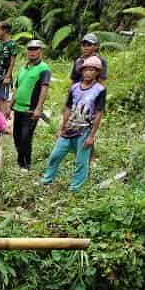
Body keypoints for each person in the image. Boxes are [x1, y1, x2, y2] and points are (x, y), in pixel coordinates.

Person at [42, 55, 106, 191]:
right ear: (81, 71)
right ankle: (46, 180)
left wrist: (92, 136)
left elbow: (99, 113)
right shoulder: (75, 88)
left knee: (81, 162)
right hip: (70, 128)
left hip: (85, 130)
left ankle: (76, 188)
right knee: (55, 155)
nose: (88, 72)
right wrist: (62, 127)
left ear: (97, 72)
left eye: (92, 70)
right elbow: (68, 108)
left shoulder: (99, 90)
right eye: (86, 70)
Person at [12, 39, 51, 170]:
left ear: (41, 51)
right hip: (18, 108)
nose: (32, 52)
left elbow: (44, 89)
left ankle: (26, 164)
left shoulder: (44, 69)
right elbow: (17, 87)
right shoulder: (23, 68)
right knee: (17, 137)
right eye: (30, 49)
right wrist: (10, 105)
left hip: (31, 110)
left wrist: (39, 108)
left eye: (35, 49)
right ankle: (20, 161)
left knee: (25, 138)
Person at [0, 21, 18, 115]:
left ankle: (4, 119)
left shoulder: (12, 44)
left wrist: (7, 76)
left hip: (5, 72)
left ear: (5, 30)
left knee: (3, 97)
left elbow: (12, 61)